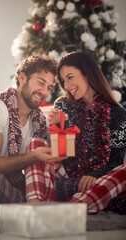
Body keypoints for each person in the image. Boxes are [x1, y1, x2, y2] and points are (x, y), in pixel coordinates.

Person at [25, 52, 126, 214]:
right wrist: (59, 125)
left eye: (70, 77)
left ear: (88, 74)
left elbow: (116, 160)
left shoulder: (118, 114)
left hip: (98, 182)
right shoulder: (63, 104)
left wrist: (95, 174)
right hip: (66, 179)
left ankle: (64, 210)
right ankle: (35, 207)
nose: (66, 86)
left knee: (124, 172)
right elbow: (60, 154)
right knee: (35, 144)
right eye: (63, 81)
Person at [0, 55, 65, 213]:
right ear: (22, 77)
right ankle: (31, 209)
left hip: (11, 191)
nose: (44, 92)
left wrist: (60, 125)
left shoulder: (39, 120)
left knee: (73, 184)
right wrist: (31, 157)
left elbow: (54, 162)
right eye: (40, 82)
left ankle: (30, 205)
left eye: (49, 87)